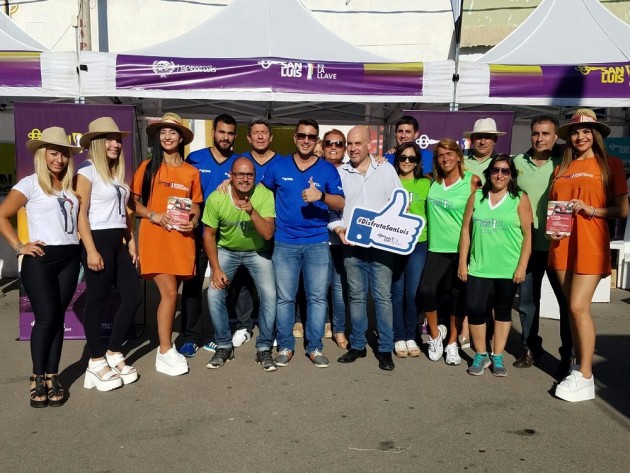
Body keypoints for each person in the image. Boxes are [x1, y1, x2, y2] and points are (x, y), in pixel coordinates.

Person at [550, 109, 628, 402]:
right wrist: (553, 229)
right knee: (571, 310)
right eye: (574, 132)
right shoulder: (560, 168)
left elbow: (622, 210)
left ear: (595, 135)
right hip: (562, 245)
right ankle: (576, 362)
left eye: (585, 131)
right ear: (568, 137)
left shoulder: (612, 165)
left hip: (591, 243)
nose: (580, 136)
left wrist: (591, 210)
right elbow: (555, 209)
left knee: (578, 307)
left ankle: (585, 375)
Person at [0, 127, 82, 407]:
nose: (59, 159)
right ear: (42, 154)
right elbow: (2, 215)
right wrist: (19, 246)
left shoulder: (69, 188)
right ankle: (36, 377)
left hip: (70, 257)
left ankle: (52, 376)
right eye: (54, 153)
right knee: (46, 318)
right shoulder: (29, 184)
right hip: (41, 259)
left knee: (58, 318)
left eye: (63, 154)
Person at [261, 118, 344, 368]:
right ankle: (285, 346)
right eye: (302, 136)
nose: (306, 140)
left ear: (316, 140)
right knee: (285, 299)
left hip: (317, 243)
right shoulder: (278, 167)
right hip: (285, 242)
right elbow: (260, 193)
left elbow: (340, 202)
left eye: (311, 137)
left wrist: (322, 196)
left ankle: (315, 347)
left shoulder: (327, 170)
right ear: (295, 138)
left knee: (317, 298)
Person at [130, 113, 203, 377]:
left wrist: (193, 221)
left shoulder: (191, 171)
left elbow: (195, 203)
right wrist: (152, 215)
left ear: (181, 137)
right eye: (163, 132)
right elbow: (132, 203)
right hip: (155, 237)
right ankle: (164, 350)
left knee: (172, 294)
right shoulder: (148, 167)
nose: (167, 136)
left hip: (181, 240)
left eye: (173, 132)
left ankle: (165, 349)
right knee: (170, 294)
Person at [76, 117, 143, 391]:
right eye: (110, 139)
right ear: (97, 143)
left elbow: (123, 213)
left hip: (117, 240)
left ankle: (114, 351)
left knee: (134, 295)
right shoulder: (87, 170)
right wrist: (90, 249)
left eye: (118, 139)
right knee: (98, 300)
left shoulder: (115, 175)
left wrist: (131, 240)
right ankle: (95, 360)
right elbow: (80, 213)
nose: (116, 144)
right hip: (98, 240)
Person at [330, 126, 401, 371]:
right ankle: (358, 345)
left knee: (382, 297)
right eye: (349, 143)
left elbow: (399, 202)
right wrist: (338, 228)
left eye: (357, 143)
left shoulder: (386, 169)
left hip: (381, 246)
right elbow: (333, 209)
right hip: (351, 245)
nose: (352, 148)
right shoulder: (340, 172)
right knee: (356, 297)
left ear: (370, 144)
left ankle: (385, 349)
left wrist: (394, 230)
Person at [458, 154, 533, 377]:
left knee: (502, 312)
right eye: (495, 170)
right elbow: (465, 231)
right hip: (479, 266)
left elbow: (528, 234)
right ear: (489, 172)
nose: (499, 175)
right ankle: (481, 354)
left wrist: (522, 266)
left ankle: (497, 355)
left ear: (511, 175)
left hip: (507, 267)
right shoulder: (477, 197)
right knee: (475, 309)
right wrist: (463, 263)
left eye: (505, 171)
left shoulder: (520, 198)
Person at [203, 158, 276, 371]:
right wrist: (215, 269)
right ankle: (224, 344)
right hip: (227, 250)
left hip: (257, 251)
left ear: (255, 176)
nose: (245, 179)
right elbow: (209, 235)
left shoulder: (264, 195)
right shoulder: (217, 198)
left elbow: (268, 233)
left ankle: (264, 347)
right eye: (240, 174)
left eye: (249, 175)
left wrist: (252, 211)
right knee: (214, 293)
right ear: (231, 176)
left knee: (270, 294)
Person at [512, 116, 571, 374]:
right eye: (536, 133)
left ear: (556, 136)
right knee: (527, 302)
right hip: (527, 246)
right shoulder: (517, 162)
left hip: (558, 245)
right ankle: (529, 347)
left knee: (566, 304)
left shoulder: (565, 162)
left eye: (546, 133)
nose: (539, 138)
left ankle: (567, 354)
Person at [179, 114, 237, 358]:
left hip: (224, 239)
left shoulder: (239, 162)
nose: (225, 137)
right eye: (221, 132)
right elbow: (185, 193)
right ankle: (191, 336)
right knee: (192, 287)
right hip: (196, 235)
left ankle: (216, 334)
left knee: (221, 287)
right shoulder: (195, 158)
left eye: (230, 133)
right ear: (213, 132)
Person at [419, 139, 480, 365]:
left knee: (457, 297)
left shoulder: (471, 181)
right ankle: (435, 335)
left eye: (449, 154)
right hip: (436, 247)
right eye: (441, 155)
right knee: (427, 290)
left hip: (460, 249)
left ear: (458, 156)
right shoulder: (432, 180)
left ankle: (452, 342)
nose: (445, 158)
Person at [229, 117, 282, 348]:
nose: (260, 136)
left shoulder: (282, 163)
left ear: (271, 137)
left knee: (273, 284)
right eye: (255, 133)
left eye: (264, 132)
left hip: (273, 229)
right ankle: (244, 325)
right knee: (242, 282)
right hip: (244, 231)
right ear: (248, 137)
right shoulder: (240, 161)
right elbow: (228, 182)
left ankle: (272, 327)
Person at [391, 143, 430, 358]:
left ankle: (411, 335)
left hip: (418, 243)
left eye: (412, 159)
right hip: (393, 243)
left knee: (413, 293)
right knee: (396, 292)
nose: (407, 162)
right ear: (397, 159)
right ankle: (398, 336)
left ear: (417, 162)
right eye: (403, 157)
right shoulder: (390, 181)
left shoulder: (425, 184)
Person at [322, 129, 348, 348]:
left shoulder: (353, 171)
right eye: (329, 143)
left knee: (339, 286)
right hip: (319, 236)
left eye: (339, 144)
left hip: (343, 239)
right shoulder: (316, 168)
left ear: (345, 148)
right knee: (317, 286)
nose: (333, 147)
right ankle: (322, 323)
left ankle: (339, 329)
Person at [463, 118, 506, 184]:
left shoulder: (502, 163)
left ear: (495, 140)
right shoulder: (461, 160)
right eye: (479, 137)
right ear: (472, 139)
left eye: (487, 137)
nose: (482, 142)